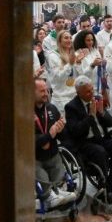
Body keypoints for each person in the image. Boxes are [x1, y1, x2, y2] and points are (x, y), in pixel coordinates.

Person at [62, 76, 112, 203]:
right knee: (100, 151)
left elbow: (109, 124)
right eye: (87, 91)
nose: (91, 93)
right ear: (78, 93)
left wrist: (102, 112)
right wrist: (91, 116)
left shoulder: (96, 99)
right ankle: (104, 187)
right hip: (85, 142)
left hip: (101, 137)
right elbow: (75, 131)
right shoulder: (71, 107)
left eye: (92, 89)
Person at [33, 78, 76, 209]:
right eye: (42, 91)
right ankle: (48, 196)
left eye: (47, 90)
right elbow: (28, 140)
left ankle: (57, 191)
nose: (46, 93)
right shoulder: (22, 112)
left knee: (58, 168)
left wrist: (61, 130)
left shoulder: (51, 108)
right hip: (34, 158)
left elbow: (62, 136)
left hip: (52, 154)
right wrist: (49, 136)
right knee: (41, 175)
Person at [47, 30, 81, 111]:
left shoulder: (74, 54)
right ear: (59, 41)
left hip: (74, 96)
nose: (69, 40)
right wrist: (70, 64)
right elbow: (58, 77)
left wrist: (79, 64)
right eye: (66, 38)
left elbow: (79, 76)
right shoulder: (53, 56)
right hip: (61, 99)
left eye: (70, 38)